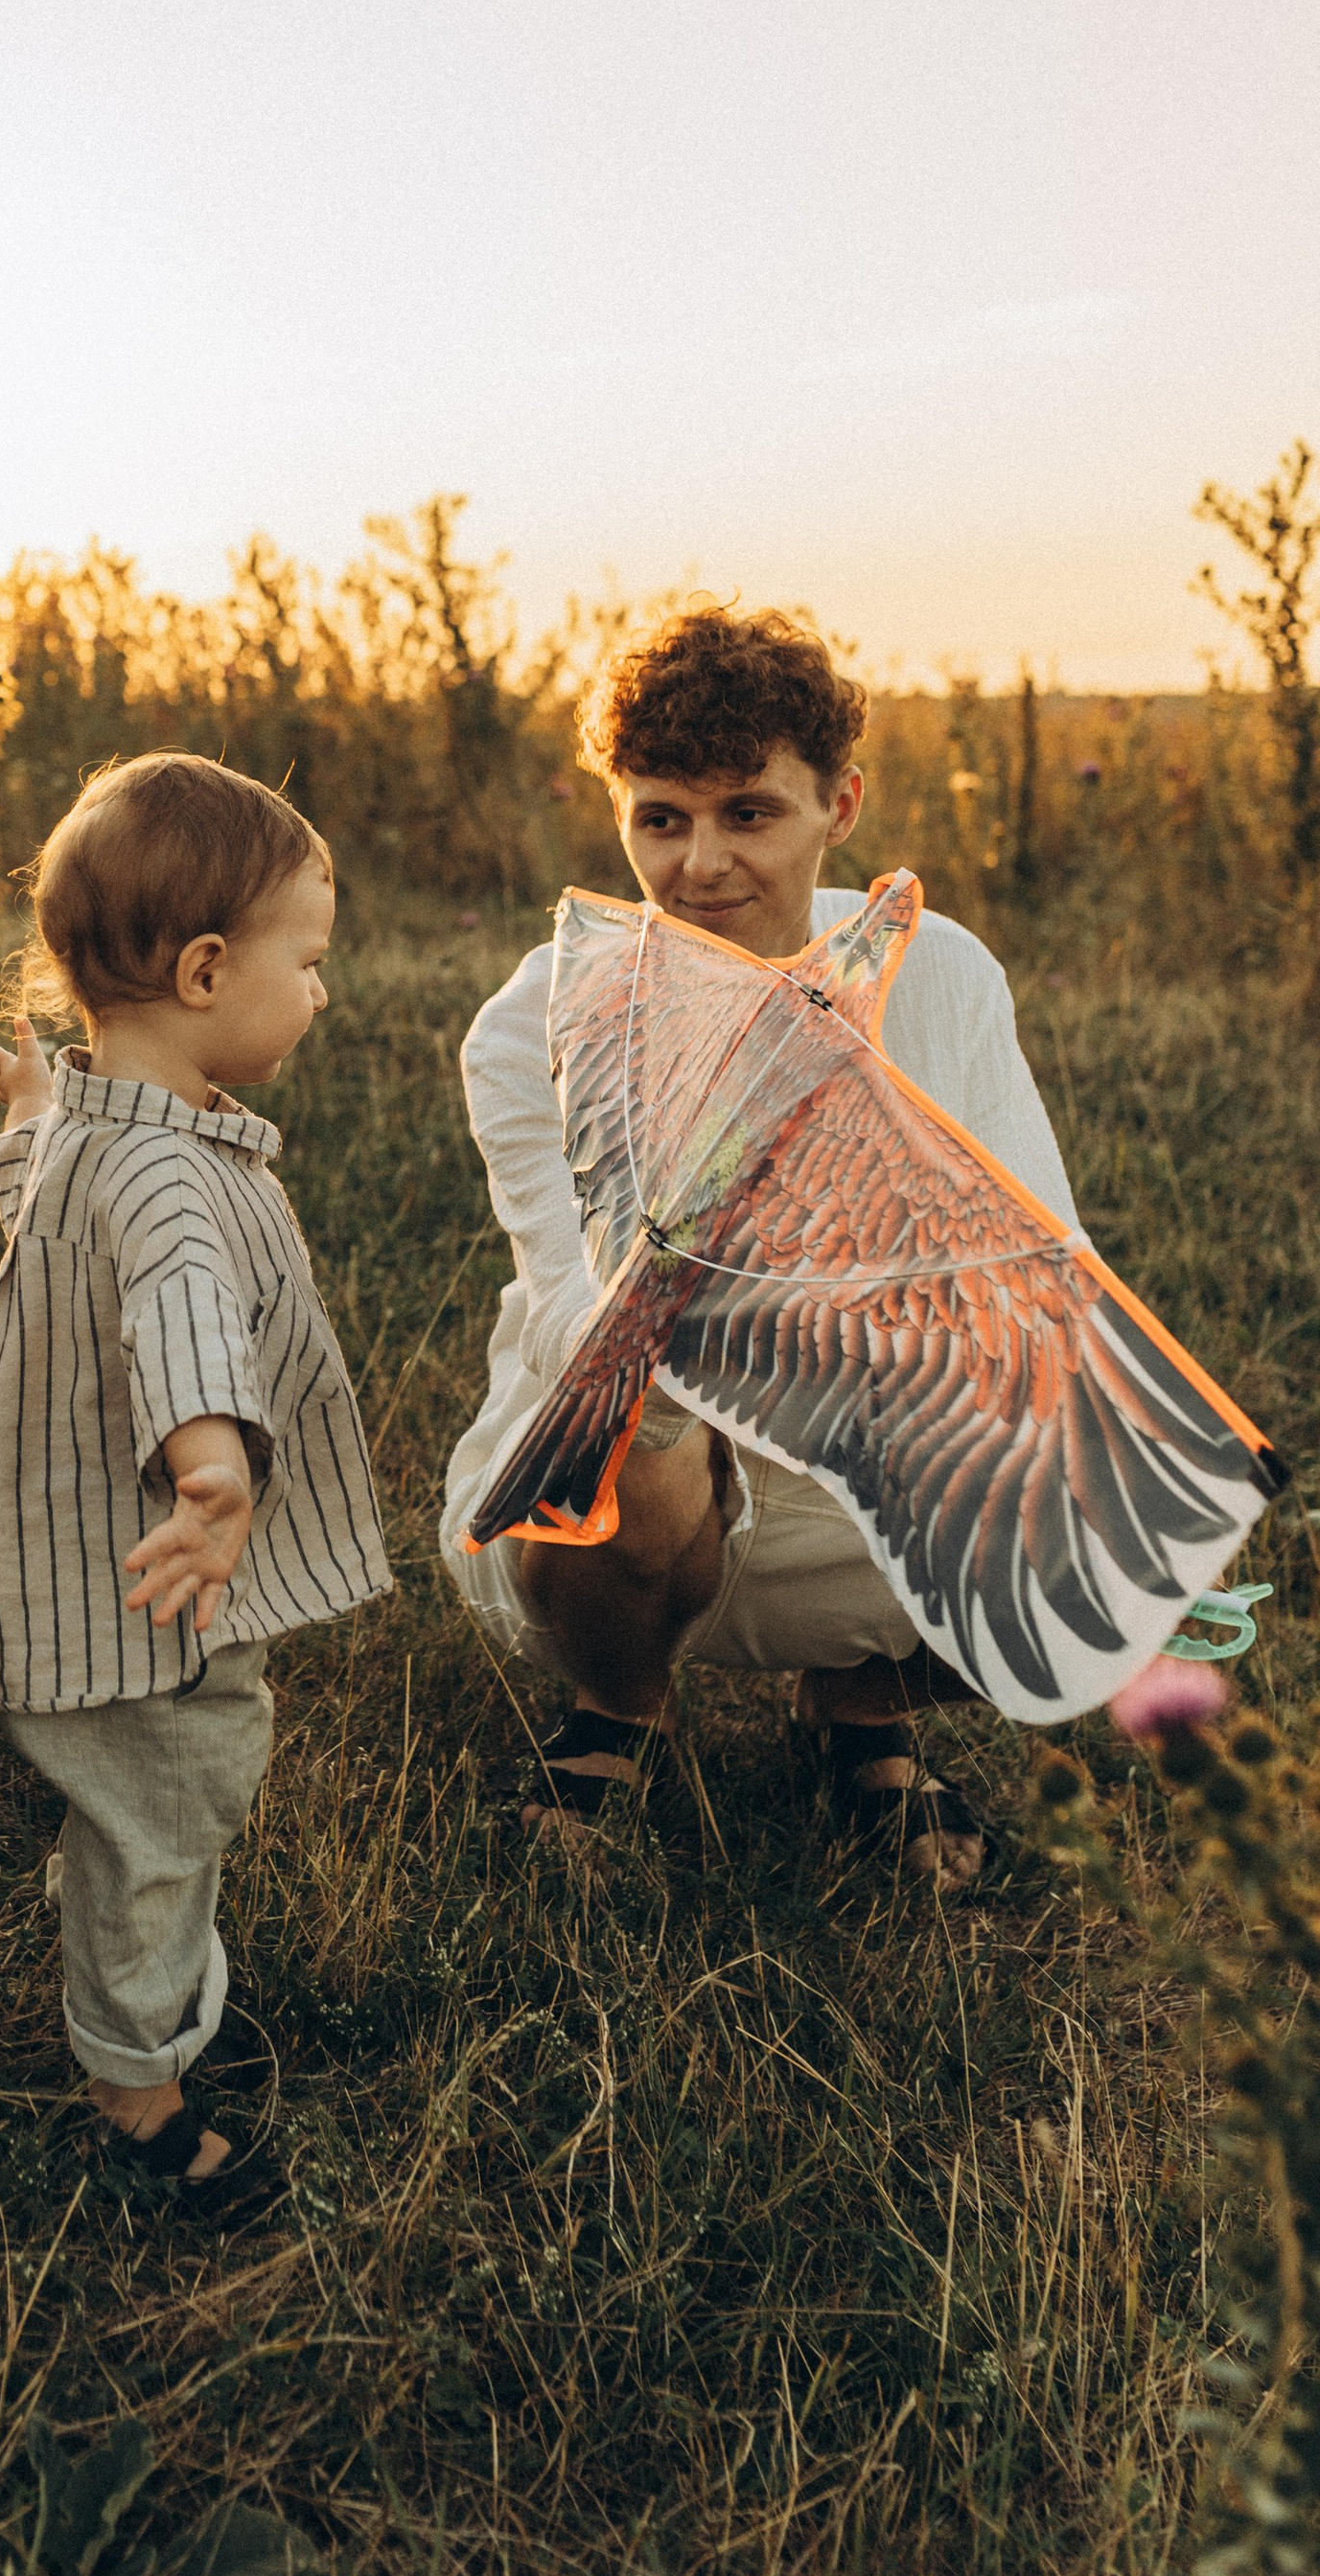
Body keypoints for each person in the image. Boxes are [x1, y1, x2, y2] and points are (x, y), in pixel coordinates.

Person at [445, 605, 1082, 1884]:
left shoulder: (941, 975)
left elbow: (1042, 1264)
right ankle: (619, 1708)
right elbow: (577, 1312)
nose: (699, 865)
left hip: (873, 1424)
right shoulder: (533, 1026)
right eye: (660, 818)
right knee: (634, 1436)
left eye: (751, 812)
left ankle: (862, 1708)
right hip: (658, 1445)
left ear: (839, 805)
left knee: (1069, 1461)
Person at [0, 756, 391, 2223]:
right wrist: (213, 1469)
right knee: (176, 1804)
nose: (321, 994)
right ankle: (137, 2091)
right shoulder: (167, 1182)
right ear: (207, 970)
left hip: (88, 1574)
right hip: (148, 1594)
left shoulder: (95, 1131)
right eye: (309, 963)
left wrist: (25, 1116)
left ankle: (114, 1927)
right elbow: (183, 1321)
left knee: (140, 1797)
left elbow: (43, 1223)